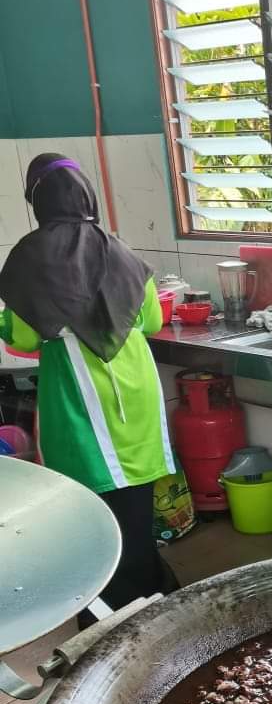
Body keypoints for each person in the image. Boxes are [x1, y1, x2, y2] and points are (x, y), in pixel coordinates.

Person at [0, 153, 177, 621]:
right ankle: (148, 594)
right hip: (134, 387)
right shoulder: (119, 249)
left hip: (79, 392)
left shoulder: (27, 258)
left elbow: (20, 336)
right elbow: (153, 320)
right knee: (135, 495)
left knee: (91, 504)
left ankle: (104, 607)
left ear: (38, 201)